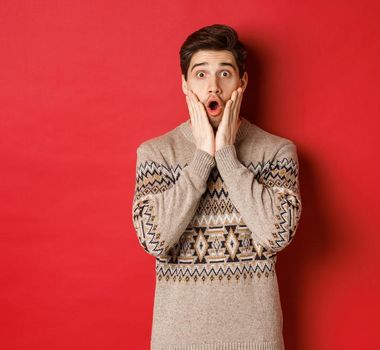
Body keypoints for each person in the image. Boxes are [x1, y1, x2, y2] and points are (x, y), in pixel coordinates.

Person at [131, 24, 302, 350]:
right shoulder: (156, 154)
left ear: (242, 82)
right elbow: (155, 240)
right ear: (184, 84)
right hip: (177, 341)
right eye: (200, 74)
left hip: (255, 341)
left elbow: (275, 235)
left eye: (225, 73)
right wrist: (201, 158)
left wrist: (226, 155)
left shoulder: (276, 151)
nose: (213, 87)